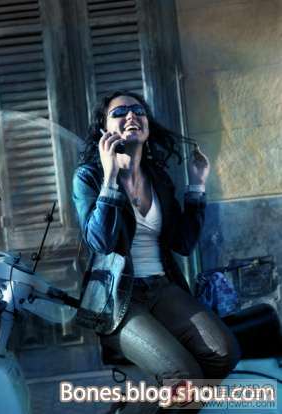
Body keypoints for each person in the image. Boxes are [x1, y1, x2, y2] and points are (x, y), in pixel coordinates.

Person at [72, 91, 240, 411]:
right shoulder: (89, 176)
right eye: (119, 112)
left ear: (147, 125)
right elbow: (100, 242)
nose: (131, 115)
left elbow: (182, 243)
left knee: (224, 353)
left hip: (162, 288)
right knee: (184, 379)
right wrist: (110, 177)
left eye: (138, 110)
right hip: (117, 300)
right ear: (104, 129)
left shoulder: (158, 178)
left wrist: (197, 185)